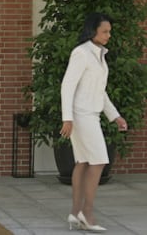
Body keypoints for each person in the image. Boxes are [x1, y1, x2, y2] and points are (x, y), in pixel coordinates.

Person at [60, 12, 127, 232]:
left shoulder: (99, 55)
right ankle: (87, 212)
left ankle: (74, 213)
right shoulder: (81, 53)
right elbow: (67, 85)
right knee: (98, 160)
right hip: (82, 115)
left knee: (83, 162)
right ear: (93, 31)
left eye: (109, 31)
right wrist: (67, 118)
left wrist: (114, 115)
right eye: (105, 31)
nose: (109, 35)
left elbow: (101, 91)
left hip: (91, 114)